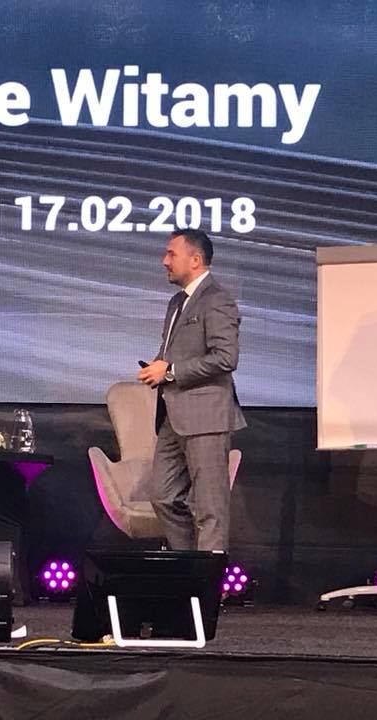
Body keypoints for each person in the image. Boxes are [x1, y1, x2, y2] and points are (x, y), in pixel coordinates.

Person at [137, 229, 245, 551]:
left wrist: (170, 371)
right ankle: (188, 566)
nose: (164, 261)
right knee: (163, 496)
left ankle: (207, 578)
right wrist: (157, 367)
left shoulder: (217, 299)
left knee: (210, 508)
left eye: (171, 254)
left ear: (195, 260)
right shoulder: (176, 302)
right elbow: (173, 351)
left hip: (206, 415)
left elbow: (226, 358)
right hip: (173, 415)